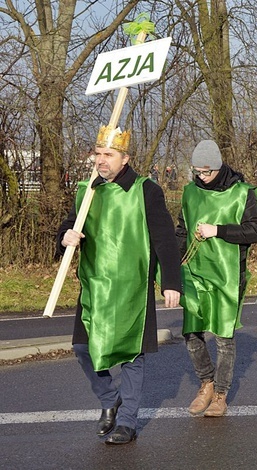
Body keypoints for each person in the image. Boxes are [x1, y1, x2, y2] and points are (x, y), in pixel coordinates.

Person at [56, 125, 181, 445]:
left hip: (132, 288)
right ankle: (109, 398)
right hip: (95, 286)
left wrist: (170, 281)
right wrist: (65, 237)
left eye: (108, 155)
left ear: (124, 159)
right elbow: (70, 226)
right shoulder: (87, 191)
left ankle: (126, 422)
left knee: (131, 355)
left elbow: (164, 239)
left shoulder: (146, 190)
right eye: (97, 154)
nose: (100, 160)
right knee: (82, 349)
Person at [175, 140, 257, 417]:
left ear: (218, 166)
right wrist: (174, 261)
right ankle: (206, 383)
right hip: (194, 272)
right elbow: (182, 229)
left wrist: (218, 230)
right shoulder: (190, 192)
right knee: (191, 332)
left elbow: (255, 231)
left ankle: (221, 394)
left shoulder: (242, 193)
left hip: (227, 274)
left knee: (224, 336)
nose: (202, 177)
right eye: (197, 172)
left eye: (206, 172)